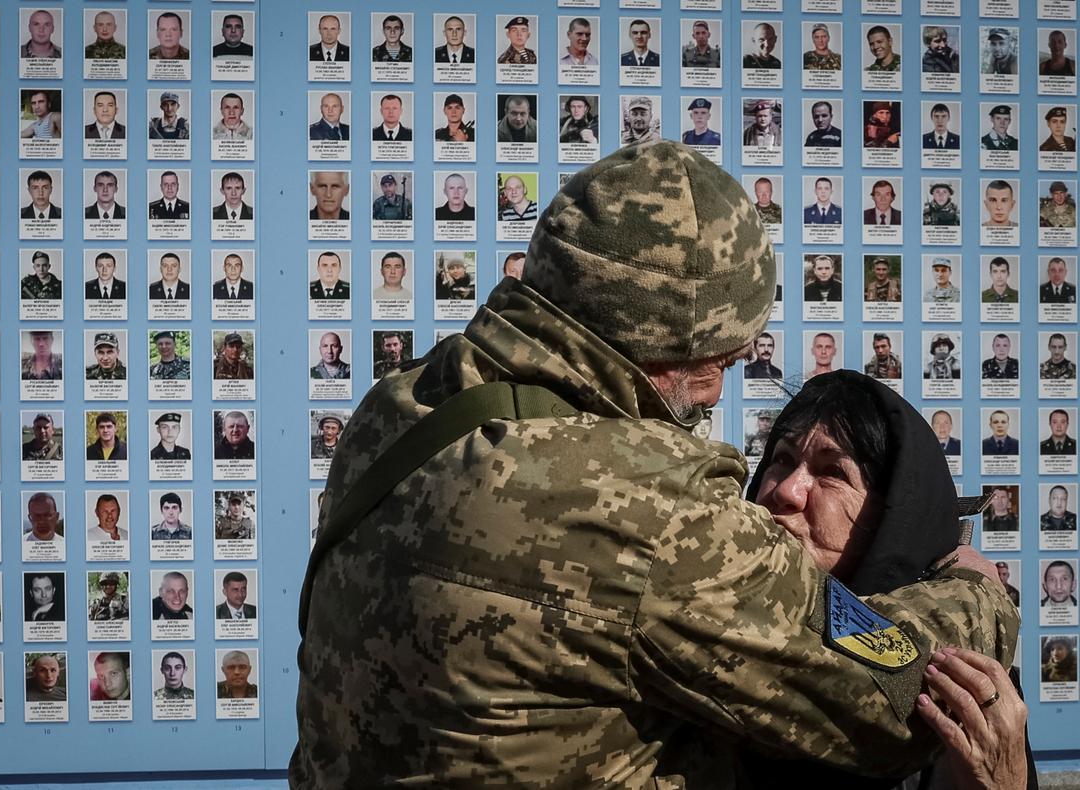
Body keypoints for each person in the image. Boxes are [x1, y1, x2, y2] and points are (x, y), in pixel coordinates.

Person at [292, 143, 1019, 786]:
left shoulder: (397, 411)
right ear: (668, 339)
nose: (719, 390)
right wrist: (974, 593)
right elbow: (891, 709)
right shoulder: (649, 504)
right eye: (722, 360)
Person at [743, 371, 1031, 790]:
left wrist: (1004, 780)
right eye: (782, 459)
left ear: (892, 519)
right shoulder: (721, 622)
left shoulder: (966, 681)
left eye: (832, 472)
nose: (787, 491)